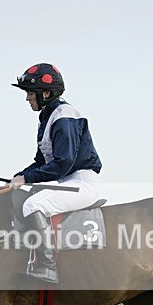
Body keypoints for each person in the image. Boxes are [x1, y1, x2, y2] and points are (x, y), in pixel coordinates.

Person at [10, 63, 102, 284]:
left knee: (33, 205)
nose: (27, 98)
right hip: (67, 180)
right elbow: (41, 162)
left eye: (30, 93)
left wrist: (28, 178)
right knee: (26, 197)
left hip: (81, 182)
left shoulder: (64, 115)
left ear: (46, 93)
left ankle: (48, 267)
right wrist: (19, 177)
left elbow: (63, 163)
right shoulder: (48, 116)